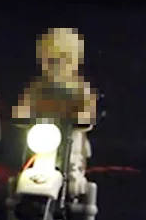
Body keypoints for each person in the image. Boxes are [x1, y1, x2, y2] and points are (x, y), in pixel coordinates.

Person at [13, 27, 97, 196]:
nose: (57, 66)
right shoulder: (37, 87)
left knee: (73, 156)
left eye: (63, 60)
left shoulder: (80, 88)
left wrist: (83, 117)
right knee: (29, 153)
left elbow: (86, 106)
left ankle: (73, 177)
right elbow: (25, 103)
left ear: (74, 60)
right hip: (43, 130)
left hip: (69, 131)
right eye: (50, 60)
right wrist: (21, 115)